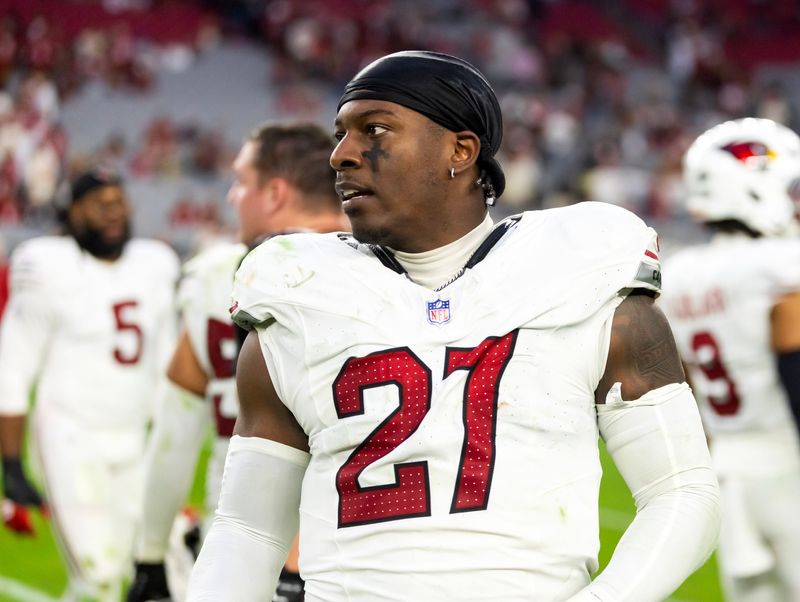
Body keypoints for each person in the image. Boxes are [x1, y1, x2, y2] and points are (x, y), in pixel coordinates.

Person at [187, 50, 721, 602]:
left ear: (460, 151)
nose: (341, 157)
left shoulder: (580, 273)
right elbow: (247, 530)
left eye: (373, 130)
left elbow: (682, 494)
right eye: (339, 134)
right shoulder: (301, 293)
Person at [126, 122, 348, 602]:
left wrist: (149, 554)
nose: (230, 196)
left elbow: (174, 438)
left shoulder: (216, 279)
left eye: (241, 181)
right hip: (353, 553)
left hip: (235, 552)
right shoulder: (385, 268)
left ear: (274, 193)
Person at [0, 168, 180, 601]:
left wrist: (168, 440)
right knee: (98, 575)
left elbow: (166, 358)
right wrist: (11, 463)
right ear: (72, 212)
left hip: (134, 439)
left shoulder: (154, 263)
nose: (112, 213)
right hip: (70, 435)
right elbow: (13, 365)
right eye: (100, 205)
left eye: (119, 202)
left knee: (152, 567)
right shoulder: (47, 265)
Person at [660, 118, 800, 602]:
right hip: (787, 459)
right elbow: (794, 367)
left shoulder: (678, 275)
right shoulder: (781, 265)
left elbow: (681, 386)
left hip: (724, 466)